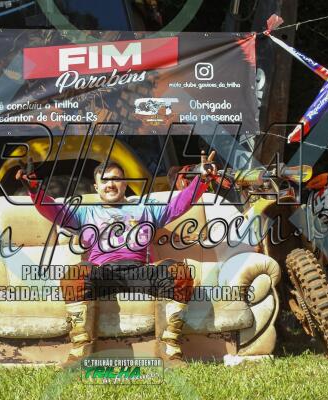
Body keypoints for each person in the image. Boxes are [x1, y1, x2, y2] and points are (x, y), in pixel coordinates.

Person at [16, 151, 218, 367]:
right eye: (104, 181)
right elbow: (54, 211)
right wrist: (35, 190)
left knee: (178, 273)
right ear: (96, 187)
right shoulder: (85, 213)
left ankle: (169, 352)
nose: (110, 185)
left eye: (115, 179)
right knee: (75, 275)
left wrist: (202, 180)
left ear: (125, 183)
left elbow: (177, 206)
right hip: (103, 273)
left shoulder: (145, 209)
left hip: (140, 271)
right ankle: (80, 353)